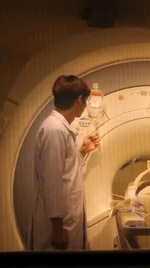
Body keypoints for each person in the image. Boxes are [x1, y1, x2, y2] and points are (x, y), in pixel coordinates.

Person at [27, 75, 100, 250]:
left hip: (64, 221)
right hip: (59, 227)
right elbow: (52, 180)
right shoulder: (54, 130)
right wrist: (57, 227)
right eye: (86, 101)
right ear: (79, 100)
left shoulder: (60, 129)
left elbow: (64, 168)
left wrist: (81, 150)